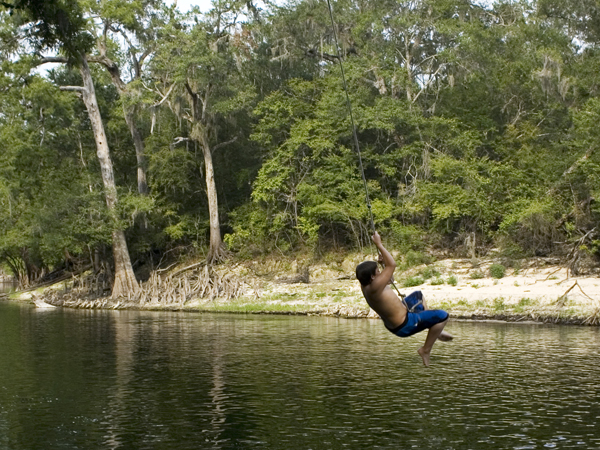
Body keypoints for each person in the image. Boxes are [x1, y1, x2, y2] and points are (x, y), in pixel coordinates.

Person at [356, 231, 453, 366]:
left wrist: (383, 265)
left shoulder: (366, 284)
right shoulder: (374, 287)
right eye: (378, 271)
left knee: (418, 295)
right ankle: (425, 350)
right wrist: (379, 244)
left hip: (400, 317)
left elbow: (390, 279)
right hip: (405, 324)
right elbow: (393, 265)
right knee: (443, 316)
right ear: (373, 277)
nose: (380, 273)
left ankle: (436, 330)